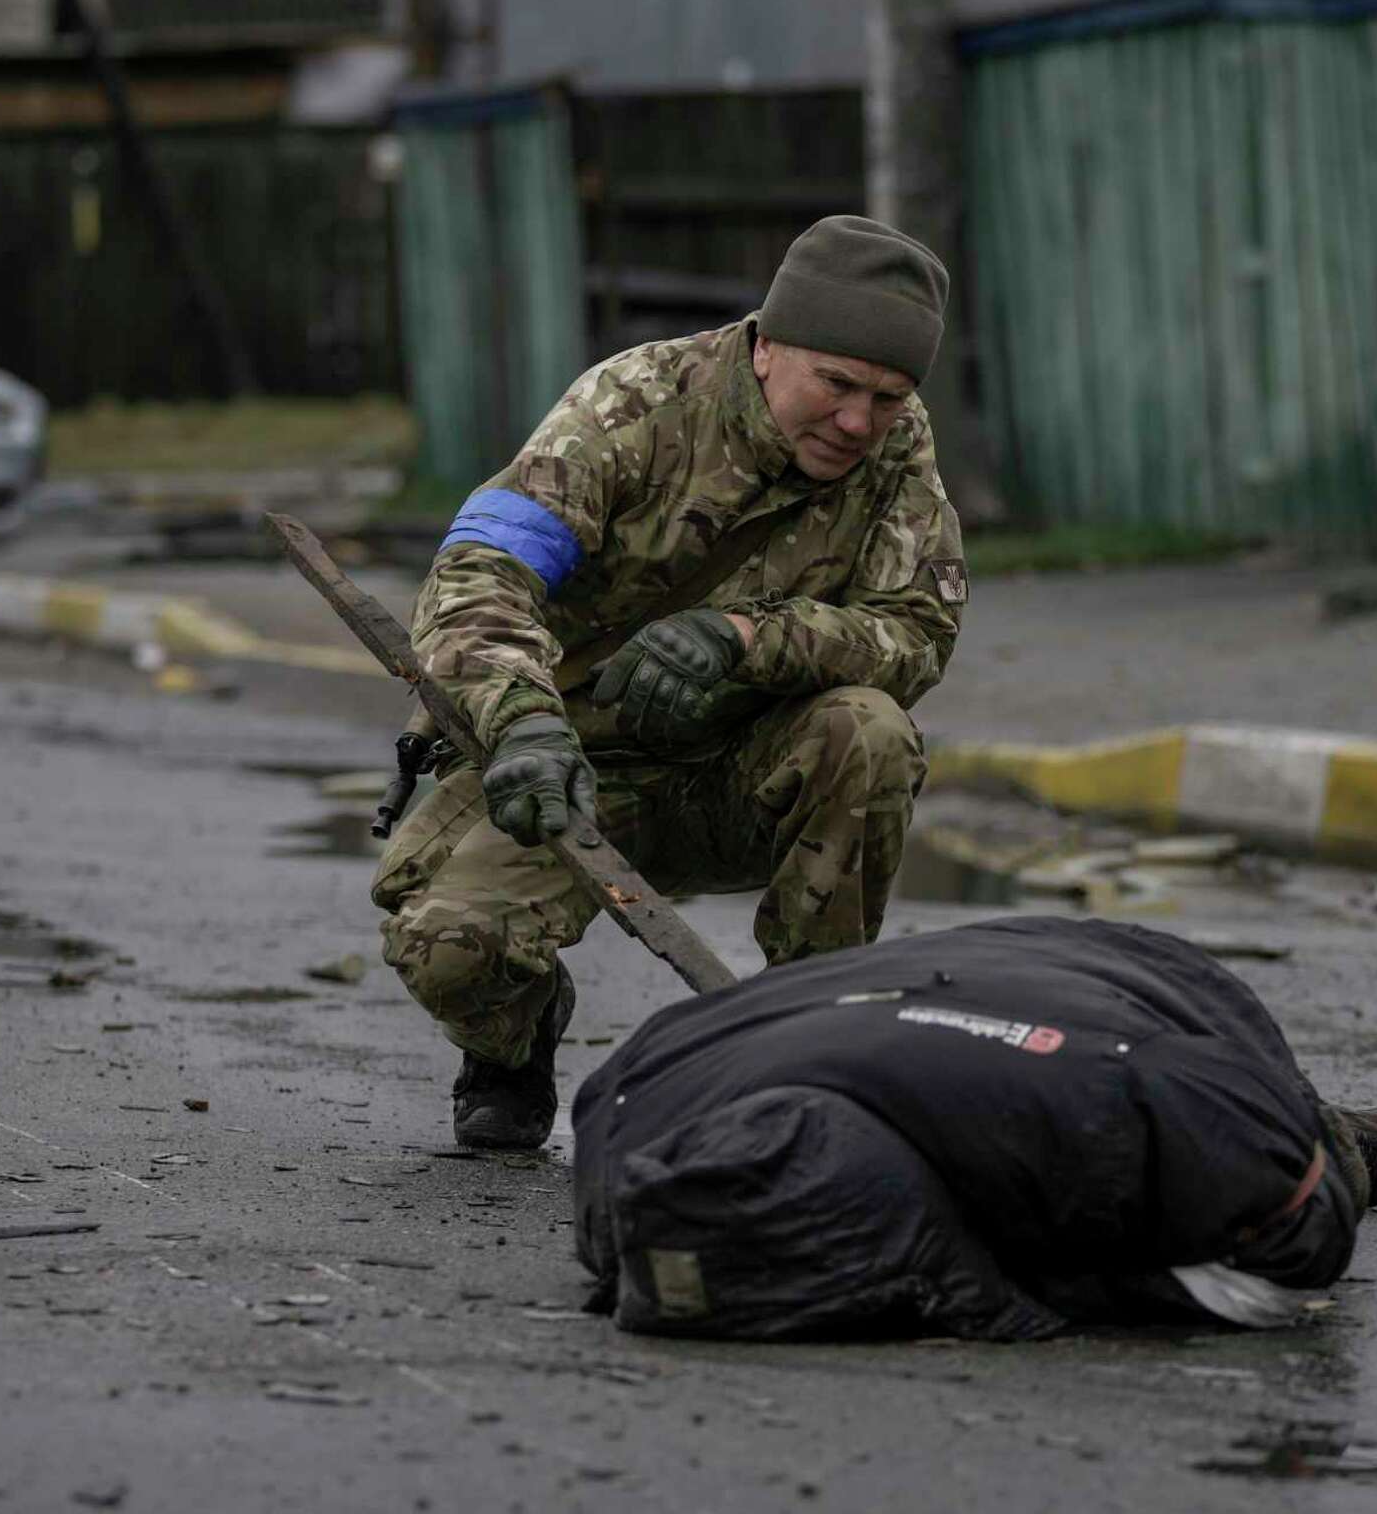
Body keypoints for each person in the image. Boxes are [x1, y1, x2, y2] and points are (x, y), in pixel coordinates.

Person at [374, 217, 969, 1150]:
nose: (859, 421)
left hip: (743, 772)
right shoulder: (632, 404)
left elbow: (917, 637)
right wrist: (524, 722)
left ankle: (804, 1050)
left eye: (888, 396)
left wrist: (747, 640)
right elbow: (479, 572)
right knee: (452, 950)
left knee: (871, 730)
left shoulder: (895, 452)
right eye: (838, 385)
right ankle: (514, 1033)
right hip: (570, 771)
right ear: (768, 347)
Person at [571, 915, 1377, 1339]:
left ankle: (1329, 1126)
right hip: (944, 1005)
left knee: (1275, 1155)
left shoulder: (1142, 1115)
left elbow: (1289, 1237)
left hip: (1092, 994)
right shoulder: (643, 1132)